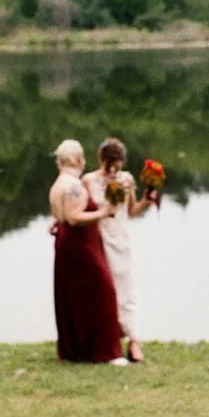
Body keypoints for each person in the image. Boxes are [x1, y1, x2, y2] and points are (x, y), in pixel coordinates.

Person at [48, 139, 126, 364]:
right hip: (80, 246)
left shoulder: (59, 183)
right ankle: (105, 352)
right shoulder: (72, 185)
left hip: (67, 244)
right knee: (104, 293)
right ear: (76, 160)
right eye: (81, 158)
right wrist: (103, 212)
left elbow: (63, 215)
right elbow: (74, 217)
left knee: (74, 298)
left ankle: (76, 349)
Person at [82, 137, 156, 363]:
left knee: (126, 290)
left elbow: (131, 211)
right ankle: (108, 339)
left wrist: (147, 200)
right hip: (98, 239)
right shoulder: (88, 181)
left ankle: (133, 340)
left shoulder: (127, 180)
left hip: (120, 239)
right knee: (104, 291)